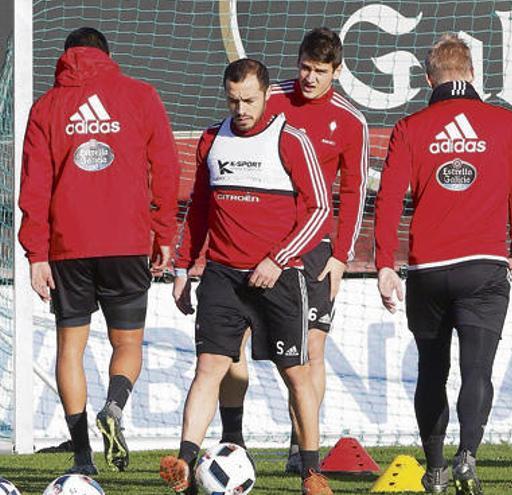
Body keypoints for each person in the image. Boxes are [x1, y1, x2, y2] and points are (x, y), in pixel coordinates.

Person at [158, 58, 332, 495]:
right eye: (233, 100)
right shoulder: (212, 140)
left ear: (267, 94)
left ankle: (311, 470)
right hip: (221, 276)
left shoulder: (290, 140)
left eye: (249, 100)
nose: (241, 109)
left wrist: (279, 258)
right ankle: (184, 464)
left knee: (296, 374)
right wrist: (183, 269)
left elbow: (320, 211)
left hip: (279, 278)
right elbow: (198, 211)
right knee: (209, 368)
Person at [374, 34, 512, 495]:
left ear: (428, 78)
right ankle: (468, 456)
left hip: (428, 270)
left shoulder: (410, 128)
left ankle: (437, 468)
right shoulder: (504, 123)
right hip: (483, 268)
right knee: (477, 370)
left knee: (431, 369)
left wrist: (385, 263)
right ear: (472, 74)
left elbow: (387, 202)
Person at [18, 27, 180, 475]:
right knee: (127, 342)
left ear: (66, 57)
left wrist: (35, 254)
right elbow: (165, 167)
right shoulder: (140, 95)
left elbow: (33, 187)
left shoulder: (47, 107)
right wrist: (164, 233)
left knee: (71, 347)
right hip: (127, 242)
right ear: (108, 56)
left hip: (67, 246)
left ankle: (83, 457)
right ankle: (114, 405)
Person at [214, 27, 369, 475]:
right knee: (232, 347)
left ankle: (301, 449)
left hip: (315, 249)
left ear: (336, 72)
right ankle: (233, 441)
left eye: (320, 72)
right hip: (252, 245)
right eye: (304, 68)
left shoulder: (351, 120)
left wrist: (342, 255)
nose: (309, 79)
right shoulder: (269, 97)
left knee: (309, 353)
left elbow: (354, 192)